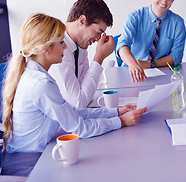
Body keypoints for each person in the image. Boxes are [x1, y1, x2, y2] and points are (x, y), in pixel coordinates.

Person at [1, 14, 147, 176]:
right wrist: (120, 122)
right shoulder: (41, 84)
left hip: (36, 154)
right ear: (45, 48)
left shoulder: (35, 74)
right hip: (30, 165)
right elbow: (79, 127)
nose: (65, 47)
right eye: (61, 42)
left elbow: (72, 112)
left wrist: (115, 112)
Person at [116, 0, 186, 82]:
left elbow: (176, 56)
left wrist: (149, 64)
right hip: (132, 73)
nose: (164, 1)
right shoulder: (135, 18)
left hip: (162, 75)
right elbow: (122, 45)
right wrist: (133, 64)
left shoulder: (178, 23)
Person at [49, 0, 115, 108]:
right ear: (82, 21)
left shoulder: (80, 46)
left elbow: (86, 95)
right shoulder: (58, 49)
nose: (98, 39)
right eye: (98, 32)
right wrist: (99, 58)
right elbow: (78, 103)